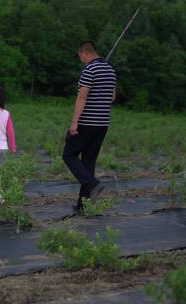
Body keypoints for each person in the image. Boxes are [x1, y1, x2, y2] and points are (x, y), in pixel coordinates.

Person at [62, 41, 117, 211]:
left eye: (81, 58)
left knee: (69, 155)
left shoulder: (90, 70)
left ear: (85, 53)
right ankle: (83, 205)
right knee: (88, 161)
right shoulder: (111, 70)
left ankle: (93, 184)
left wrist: (74, 122)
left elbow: (82, 97)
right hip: (102, 123)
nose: (82, 61)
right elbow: (112, 97)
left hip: (87, 122)